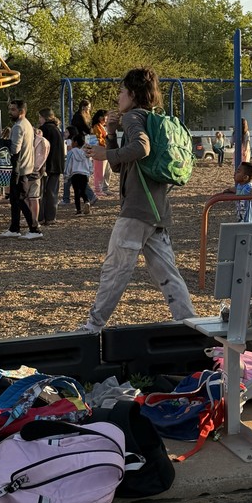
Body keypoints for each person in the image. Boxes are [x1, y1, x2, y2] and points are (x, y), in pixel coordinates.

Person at [78, 66, 195, 333]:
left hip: (136, 210)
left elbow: (141, 148)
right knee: (166, 272)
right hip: (157, 209)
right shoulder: (151, 117)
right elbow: (124, 167)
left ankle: (92, 326)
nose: (118, 96)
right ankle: (189, 322)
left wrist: (104, 154)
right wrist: (110, 134)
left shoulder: (133, 117)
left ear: (131, 93)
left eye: (121, 91)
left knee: (115, 270)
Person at [0, 98, 42, 239]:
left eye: (13, 110)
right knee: (15, 199)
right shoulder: (27, 124)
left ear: (21, 111)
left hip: (19, 169)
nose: (10, 112)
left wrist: (2, 143)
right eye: (10, 109)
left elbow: (14, 149)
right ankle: (14, 227)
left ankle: (34, 229)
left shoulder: (18, 126)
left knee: (21, 198)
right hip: (27, 166)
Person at [38, 108, 65, 225]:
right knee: (52, 191)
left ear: (44, 117)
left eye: (40, 117)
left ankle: (41, 216)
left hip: (46, 165)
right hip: (57, 165)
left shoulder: (44, 130)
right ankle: (51, 217)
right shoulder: (56, 129)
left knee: (42, 192)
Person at [63, 133, 92, 216]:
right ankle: (87, 201)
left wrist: (66, 175)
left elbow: (68, 164)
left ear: (75, 142)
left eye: (72, 141)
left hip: (75, 174)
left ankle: (78, 210)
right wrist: (90, 172)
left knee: (76, 192)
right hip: (84, 174)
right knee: (83, 190)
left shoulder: (71, 152)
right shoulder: (85, 152)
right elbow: (89, 163)